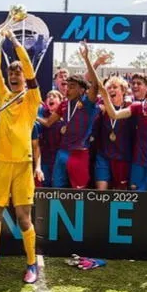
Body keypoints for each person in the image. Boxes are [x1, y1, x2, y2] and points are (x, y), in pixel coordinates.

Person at [0, 28, 42, 284]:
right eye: (11, 72)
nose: (14, 75)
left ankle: (31, 263)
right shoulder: (3, 95)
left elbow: (30, 70)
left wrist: (15, 42)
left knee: (23, 218)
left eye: (18, 73)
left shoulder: (32, 99)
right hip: (0, 164)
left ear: (24, 77)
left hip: (23, 165)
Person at [38, 44, 99, 189]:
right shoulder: (64, 104)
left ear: (82, 90)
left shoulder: (87, 103)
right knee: (57, 187)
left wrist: (87, 59)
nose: (67, 89)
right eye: (66, 86)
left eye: (72, 86)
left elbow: (95, 85)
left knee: (79, 190)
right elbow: (47, 123)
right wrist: (33, 116)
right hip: (62, 151)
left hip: (79, 152)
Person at [94, 76, 132, 190]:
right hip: (103, 155)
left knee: (120, 193)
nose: (111, 90)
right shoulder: (100, 108)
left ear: (123, 91)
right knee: (101, 192)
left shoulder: (131, 107)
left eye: (115, 87)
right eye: (108, 88)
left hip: (122, 156)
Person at [37, 90, 64, 187]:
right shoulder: (42, 114)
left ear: (61, 101)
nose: (51, 98)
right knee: (45, 184)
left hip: (59, 158)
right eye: (48, 96)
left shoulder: (66, 117)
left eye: (54, 96)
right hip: (45, 157)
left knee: (58, 185)